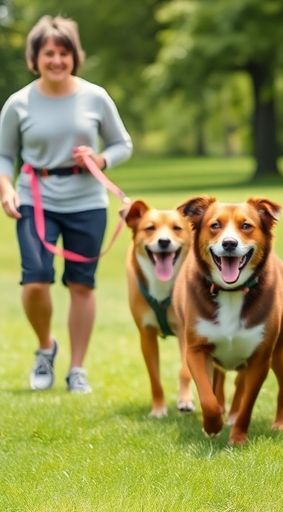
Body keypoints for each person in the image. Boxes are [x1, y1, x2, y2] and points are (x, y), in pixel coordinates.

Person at [0, 15, 133, 393]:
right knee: (36, 281)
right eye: (48, 53)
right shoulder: (19, 102)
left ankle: (77, 369)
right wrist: (6, 189)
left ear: (74, 56)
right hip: (35, 198)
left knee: (81, 285)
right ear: (35, 58)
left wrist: (101, 158)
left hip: (87, 201)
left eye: (63, 53)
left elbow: (123, 144)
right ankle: (46, 348)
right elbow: (4, 155)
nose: (56, 60)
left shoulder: (95, 97)